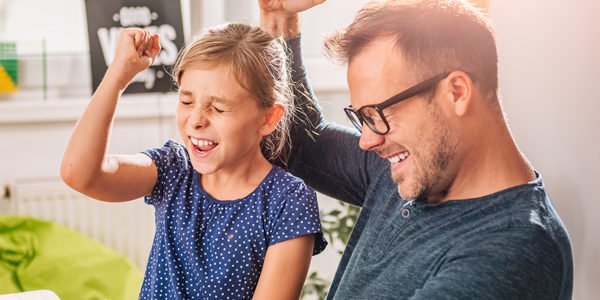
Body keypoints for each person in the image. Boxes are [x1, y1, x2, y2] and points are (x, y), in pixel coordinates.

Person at [259, 0, 573, 299]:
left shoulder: (513, 250)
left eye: (377, 114)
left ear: (456, 92)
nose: (368, 141)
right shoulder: (412, 165)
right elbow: (298, 141)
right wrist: (279, 19)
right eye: (361, 118)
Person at [60, 23, 327, 299]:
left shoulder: (288, 200)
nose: (196, 120)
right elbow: (79, 173)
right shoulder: (174, 168)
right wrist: (118, 75)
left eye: (218, 108)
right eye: (186, 102)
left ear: (268, 118)